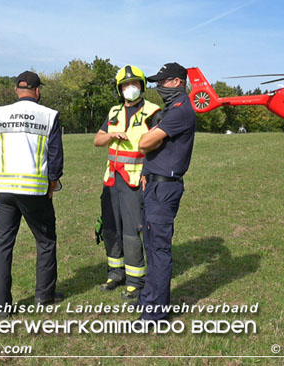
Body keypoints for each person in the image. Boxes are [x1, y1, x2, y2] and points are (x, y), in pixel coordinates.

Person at [0, 71, 64, 316]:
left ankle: (2, 307)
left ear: (16, 90)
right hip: (35, 189)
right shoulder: (50, 116)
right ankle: (44, 296)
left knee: (2, 246)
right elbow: (56, 159)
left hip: (3, 188)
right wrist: (51, 186)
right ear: (37, 90)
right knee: (45, 241)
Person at [93, 65, 161, 300]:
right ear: (119, 89)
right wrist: (111, 135)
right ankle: (115, 274)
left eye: (133, 84)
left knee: (132, 232)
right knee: (111, 228)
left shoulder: (153, 112)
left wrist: (148, 173)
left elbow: (159, 147)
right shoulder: (113, 112)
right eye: (125, 85)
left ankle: (135, 281)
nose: (129, 88)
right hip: (111, 179)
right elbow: (97, 140)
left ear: (142, 86)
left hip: (135, 180)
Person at [137, 62, 196, 322]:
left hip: (164, 188)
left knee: (159, 249)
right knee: (151, 245)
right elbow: (153, 145)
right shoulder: (172, 109)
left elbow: (144, 143)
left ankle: (155, 313)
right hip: (156, 184)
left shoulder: (180, 110)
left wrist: (151, 138)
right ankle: (149, 299)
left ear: (177, 82)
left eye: (163, 81)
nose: (158, 86)